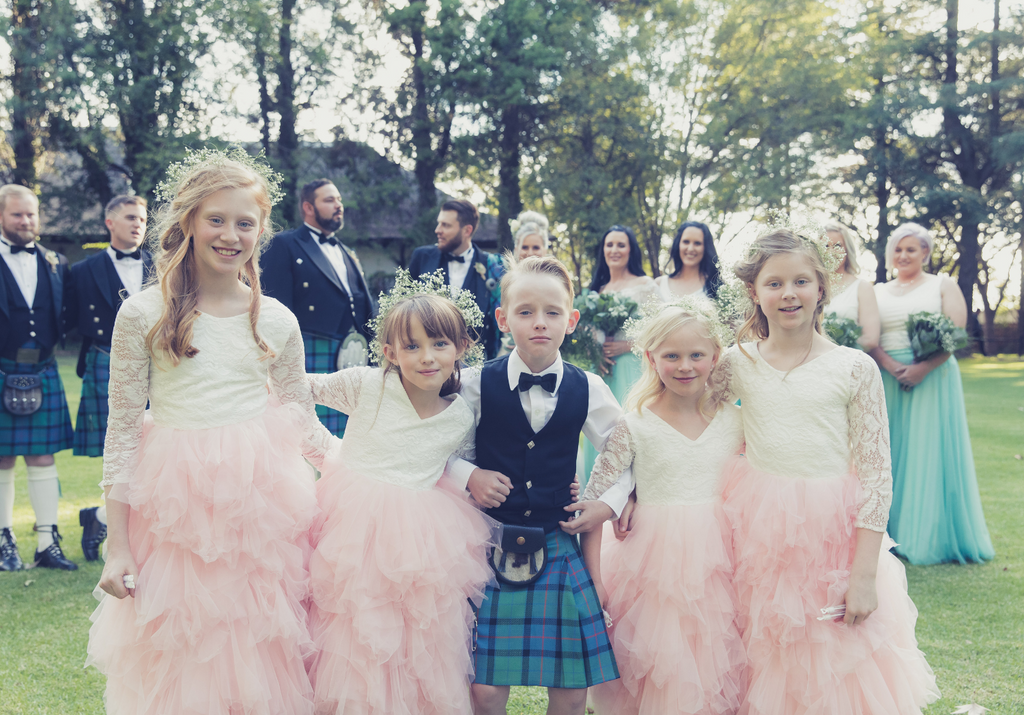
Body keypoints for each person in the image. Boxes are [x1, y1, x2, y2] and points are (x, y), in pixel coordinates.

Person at [85, 150, 330, 714]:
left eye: (245, 223)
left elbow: (303, 424)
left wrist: (380, 466)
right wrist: (118, 546)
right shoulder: (143, 314)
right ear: (189, 222)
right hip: (175, 511)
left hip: (262, 509)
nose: (230, 234)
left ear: (261, 231)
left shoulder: (276, 320)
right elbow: (121, 434)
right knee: (185, 648)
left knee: (258, 642)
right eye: (216, 219)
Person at [722, 229, 939, 714]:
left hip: (833, 536)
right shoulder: (736, 363)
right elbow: (698, 433)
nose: (788, 293)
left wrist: (863, 574)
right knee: (764, 642)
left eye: (801, 281)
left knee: (832, 652)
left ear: (822, 287)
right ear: (754, 292)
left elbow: (877, 474)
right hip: (755, 529)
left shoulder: (854, 367)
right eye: (774, 283)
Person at [446, 255, 630, 715]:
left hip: (558, 546)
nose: (539, 323)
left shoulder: (588, 387)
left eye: (552, 312)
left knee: (570, 694)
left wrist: (603, 504)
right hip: (488, 546)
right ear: (502, 319)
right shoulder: (472, 384)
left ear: (572, 319)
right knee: (485, 691)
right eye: (525, 312)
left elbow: (626, 451)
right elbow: (429, 445)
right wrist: (469, 475)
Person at [305, 282, 497, 715]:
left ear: (461, 347)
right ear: (390, 352)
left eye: (439, 343)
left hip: (419, 535)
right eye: (412, 346)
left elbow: (452, 462)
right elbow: (298, 390)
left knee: (416, 631)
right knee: (349, 623)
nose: (426, 357)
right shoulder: (366, 386)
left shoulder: (460, 418)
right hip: (349, 521)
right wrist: (321, 450)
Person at [571, 300, 746, 715]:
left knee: (721, 652)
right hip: (653, 565)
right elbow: (596, 499)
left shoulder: (735, 421)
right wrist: (594, 578)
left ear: (715, 357)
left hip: (723, 558)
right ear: (651, 358)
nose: (685, 366)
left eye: (696, 355)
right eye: (672, 356)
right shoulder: (634, 425)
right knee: (662, 659)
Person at [870, 222, 993, 565]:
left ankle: (925, 536)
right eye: (897, 249)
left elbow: (955, 333)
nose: (904, 255)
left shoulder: (942, 284)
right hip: (887, 376)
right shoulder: (877, 290)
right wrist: (889, 364)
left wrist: (923, 367)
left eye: (911, 249)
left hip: (933, 375)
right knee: (889, 453)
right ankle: (886, 535)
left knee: (927, 451)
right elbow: (869, 336)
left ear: (925, 252)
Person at [71, 195, 155, 562]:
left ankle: (101, 518)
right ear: (109, 223)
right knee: (121, 451)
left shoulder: (163, 265)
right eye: (130, 217)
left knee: (159, 451)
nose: (138, 224)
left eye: (142, 218)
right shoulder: (83, 270)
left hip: (162, 365)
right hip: (107, 361)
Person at [0, 184, 77, 572]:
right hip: (1, 366)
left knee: (43, 456)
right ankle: (3, 540)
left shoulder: (54, 262)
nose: (26, 221)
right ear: (2, 216)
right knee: (2, 458)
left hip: (43, 367)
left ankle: (47, 542)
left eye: (31, 214)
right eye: (17, 214)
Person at [261, 178, 375, 437]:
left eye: (339, 200)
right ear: (308, 208)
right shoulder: (285, 244)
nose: (338, 205)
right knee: (310, 432)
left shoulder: (345, 250)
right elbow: (275, 307)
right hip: (310, 348)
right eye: (329, 200)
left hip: (353, 351)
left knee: (348, 432)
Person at [581, 226, 657, 482]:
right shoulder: (596, 291)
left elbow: (659, 330)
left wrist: (627, 345)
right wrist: (597, 352)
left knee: (630, 426)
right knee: (602, 430)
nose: (614, 250)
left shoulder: (646, 285)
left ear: (631, 250)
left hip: (631, 367)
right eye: (609, 245)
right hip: (602, 370)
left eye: (621, 245)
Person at [407, 199, 504, 360]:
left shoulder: (492, 266)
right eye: (439, 224)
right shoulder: (422, 257)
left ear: (467, 230)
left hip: (477, 366)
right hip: (427, 360)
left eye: (446, 225)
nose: (438, 230)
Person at [823, 221, 880, 350]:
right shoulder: (809, 286)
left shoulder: (862, 287)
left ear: (847, 249)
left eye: (837, 245)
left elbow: (871, 339)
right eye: (825, 246)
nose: (831, 251)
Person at [652, 221, 722, 301]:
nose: (690, 248)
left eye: (697, 243)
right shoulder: (659, 284)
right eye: (686, 242)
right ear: (678, 244)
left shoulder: (716, 287)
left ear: (706, 247)